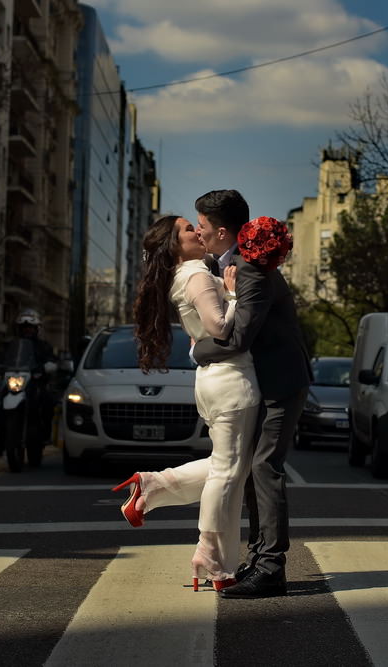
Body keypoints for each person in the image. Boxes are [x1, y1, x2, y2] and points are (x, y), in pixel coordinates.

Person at [116, 213, 259, 591]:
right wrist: (232, 293)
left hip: (215, 382)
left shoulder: (186, 275)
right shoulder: (196, 274)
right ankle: (210, 554)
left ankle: (153, 488)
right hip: (231, 380)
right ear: (174, 246)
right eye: (186, 229)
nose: (196, 231)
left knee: (224, 467)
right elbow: (221, 328)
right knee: (229, 473)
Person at [191, 190, 312, 599]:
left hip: (281, 383)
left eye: (203, 228)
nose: (198, 233)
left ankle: (272, 568)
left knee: (265, 468)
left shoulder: (251, 271)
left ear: (222, 231)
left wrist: (195, 351)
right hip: (263, 384)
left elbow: (239, 337)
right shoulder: (233, 265)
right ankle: (258, 557)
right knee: (250, 468)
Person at [0, 308, 56, 458]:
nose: (27, 330)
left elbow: (51, 360)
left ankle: (45, 436)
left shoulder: (43, 346)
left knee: (47, 401)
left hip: (34, 381)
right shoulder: (11, 344)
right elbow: (1, 359)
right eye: (24, 327)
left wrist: (47, 367)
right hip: (15, 380)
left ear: (36, 329)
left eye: (30, 327)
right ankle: (1, 443)